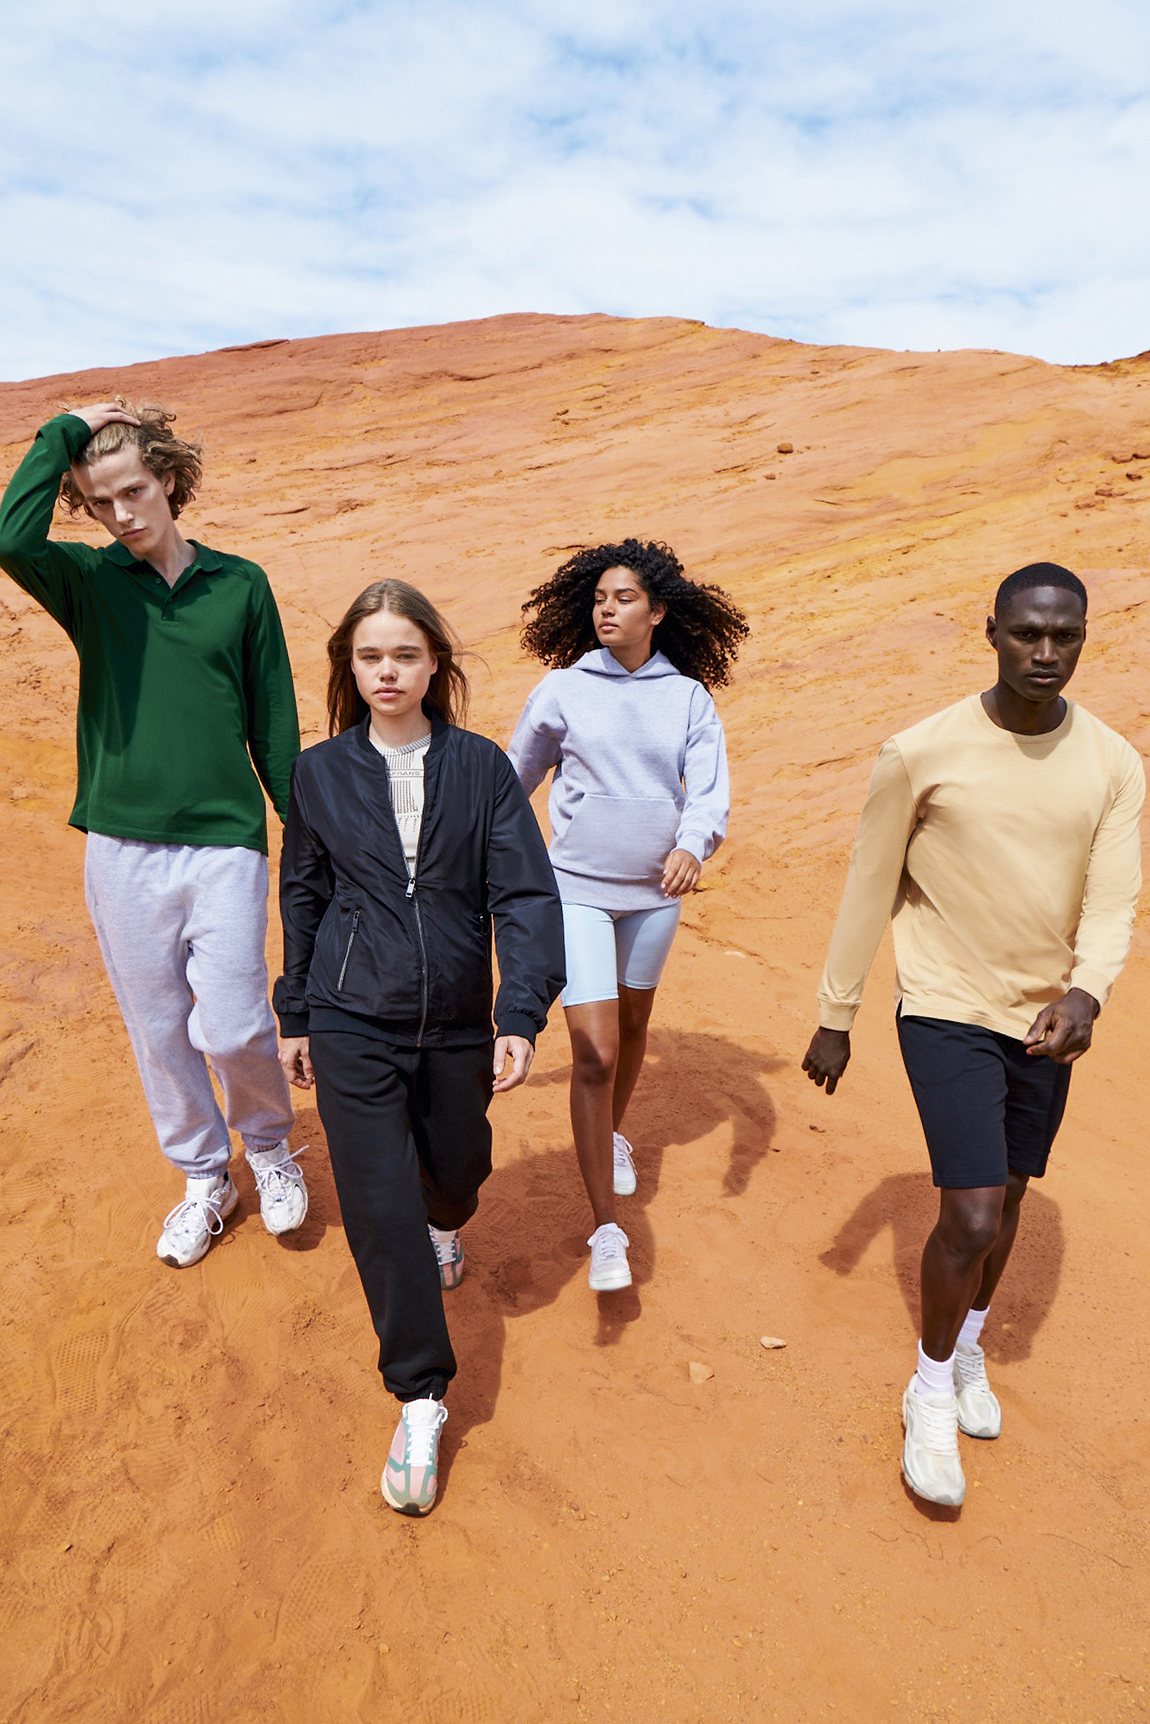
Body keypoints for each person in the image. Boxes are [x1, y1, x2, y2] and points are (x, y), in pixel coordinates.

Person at [802, 563, 1144, 1508]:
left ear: (1084, 638)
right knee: (975, 1214)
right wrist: (837, 1015)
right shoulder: (921, 751)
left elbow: (1114, 900)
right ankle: (927, 1391)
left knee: (1015, 1192)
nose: (1046, 653)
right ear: (990, 631)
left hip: (1047, 1017)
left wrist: (1087, 994)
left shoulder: (1114, 762)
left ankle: (966, 1350)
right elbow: (871, 881)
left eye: (1065, 636)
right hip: (945, 1002)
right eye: (1027, 633)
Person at [274, 579, 564, 1516]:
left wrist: (519, 1012)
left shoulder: (482, 769)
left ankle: (448, 1221)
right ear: (349, 668)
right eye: (370, 656)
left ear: (434, 663)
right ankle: (420, 1396)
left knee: (456, 1168)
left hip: (455, 1022)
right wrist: (296, 1012)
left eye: (404, 654)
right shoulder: (318, 773)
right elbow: (304, 895)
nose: (387, 671)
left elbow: (524, 895)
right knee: (377, 1205)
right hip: (350, 1014)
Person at [0, 401, 308, 1268]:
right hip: (122, 845)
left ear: (169, 480)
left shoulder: (240, 584)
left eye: (134, 490)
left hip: (225, 842)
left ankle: (269, 1147)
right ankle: (205, 1177)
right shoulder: (88, 582)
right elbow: (9, 539)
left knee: (237, 1025)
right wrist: (63, 432)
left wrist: (307, 829)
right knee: (160, 1028)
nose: (121, 515)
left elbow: (273, 719)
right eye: (100, 502)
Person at [508, 539, 747, 1292]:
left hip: (655, 897)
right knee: (595, 1052)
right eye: (599, 599)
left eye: (624, 599)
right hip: (575, 890)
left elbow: (708, 790)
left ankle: (609, 1132)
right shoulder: (562, 689)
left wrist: (693, 845)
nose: (607, 610)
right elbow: (513, 780)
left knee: (635, 1024)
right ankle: (607, 1228)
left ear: (659, 611)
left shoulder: (688, 698)